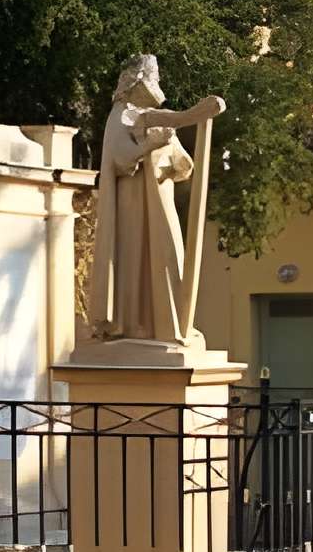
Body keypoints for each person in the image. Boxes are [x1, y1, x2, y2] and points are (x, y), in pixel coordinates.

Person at [90, 54, 225, 349]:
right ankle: (134, 327)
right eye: (152, 79)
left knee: (168, 255)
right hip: (132, 206)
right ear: (136, 82)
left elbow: (182, 162)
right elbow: (120, 159)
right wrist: (151, 144)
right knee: (134, 259)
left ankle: (170, 325)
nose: (156, 86)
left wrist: (197, 120)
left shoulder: (152, 118)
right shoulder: (122, 115)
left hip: (160, 203)